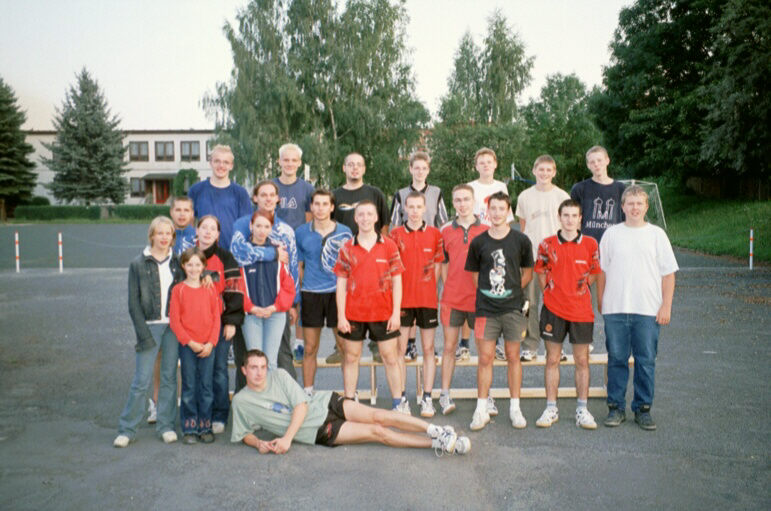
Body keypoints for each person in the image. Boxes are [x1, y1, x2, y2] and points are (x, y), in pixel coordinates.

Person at [231, 349, 470, 455]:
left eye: (263, 367)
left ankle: (435, 430)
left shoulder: (280, 376)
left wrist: (286, 439)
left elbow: (301, 406)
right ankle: (436, 444)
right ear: (243, 370)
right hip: (317, 430)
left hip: (325, 403)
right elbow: (244, 433)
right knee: (378, 432)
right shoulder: (241, 402)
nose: (259, 372)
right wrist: (258, 444)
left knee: (379, 415)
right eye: (253, 368)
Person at [598, 185, 678, 431]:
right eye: (630, 203)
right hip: (616, 308)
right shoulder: (611, 234)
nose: (634, 208)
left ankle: (643, 409)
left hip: (647, 310)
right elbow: (601, 271)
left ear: (646, 207)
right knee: (616, 360)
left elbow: (668, 274)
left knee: (645, 361)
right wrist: (601, 302)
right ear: (622, 206)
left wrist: (666, 306)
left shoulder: (657, 235)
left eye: (639, 203)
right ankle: (615, 407)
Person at [465, 192, 533, 431]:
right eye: (492, 209)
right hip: (486, 309)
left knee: (513, 356)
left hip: (513, 309)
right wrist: (492, 294)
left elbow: (527, 273)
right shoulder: (478, 242)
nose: (496, 213)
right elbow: (475, 276)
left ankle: (515, 408)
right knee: (485, 358)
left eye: (501, 209)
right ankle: (481, 409)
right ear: (487, 212)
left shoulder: (521, 240)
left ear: (508, 211)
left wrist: (509, 292)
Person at [114, 217, 184, 447]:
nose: (164, 237)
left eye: (168, 233)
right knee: (142, 380)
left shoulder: (178, 262)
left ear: (173, 237)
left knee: (169, 378)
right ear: (152, 235)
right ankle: (127, 429)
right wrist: (142, 332)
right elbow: (133, 303)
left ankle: (166, 425)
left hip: (173, 327)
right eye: (160, 233)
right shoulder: (138, 264)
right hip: (150, 326)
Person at [533, 200, 601, 430]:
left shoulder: (590, 244)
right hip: (553, 311)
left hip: (581, 312)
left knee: (582, 360)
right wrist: (549, 292)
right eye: (566, 215)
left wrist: (580, 288)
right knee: (552, 359)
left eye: (574, 215)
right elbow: (541, 271)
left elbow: (594, 273)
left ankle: (582, 409)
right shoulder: (547, 244)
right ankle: (551, 408)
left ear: (580, 218)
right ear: (559, 217)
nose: (570, 220)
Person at [334, 200, 405, 411]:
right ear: (355, 218)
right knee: (351, 357)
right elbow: (341, 285)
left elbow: (397, 281)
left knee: (390, 357)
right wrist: (341, 316)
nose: (365, 218)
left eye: (369, 214)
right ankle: (349, 403)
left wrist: (396, 313)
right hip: (354, 313)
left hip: (384, 312)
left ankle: (398, 403)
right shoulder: (347, 248)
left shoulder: (389, 245)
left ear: (376, 218)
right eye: (361, 214)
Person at [231, 180, 299, 382]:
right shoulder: (243, 224)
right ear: (255, 198)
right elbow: (238, 253)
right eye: (263, 195)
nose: (268, 199)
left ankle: (282, 397)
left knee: (278, 356)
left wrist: (290, 304)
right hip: (250, 309)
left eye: (272, 195)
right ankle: (248, 397)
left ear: (278, 199)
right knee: (249, 358)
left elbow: (291, 270)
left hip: (276, 307)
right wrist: (273, 254)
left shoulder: (286, 231)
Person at [331, 152, 390, 363]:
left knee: (372, 295)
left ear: (364, 169)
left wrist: (381, 250)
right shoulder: (335, 195)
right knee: (345, 298)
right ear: (344, 168)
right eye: (350, 164)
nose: (355, 168)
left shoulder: (375, 193)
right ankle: (341, 346)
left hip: (372, 254)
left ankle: (375, 343)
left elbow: (384, 224)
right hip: (346, 256)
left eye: (359, 165)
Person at [390, 151, 449, 361]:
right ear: (410, 169)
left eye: (424, 168)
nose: (420, 171)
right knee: (407, 297)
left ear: (428, 170)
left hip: (429, 251)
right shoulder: (401, 194)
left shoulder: (436, 192)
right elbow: (394, 225)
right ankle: (410, 345)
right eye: (416, 168)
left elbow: (444, 222)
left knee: (426, 297)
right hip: (407, 250)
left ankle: (422, 346)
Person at [389, 192, 444, 417]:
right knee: (400, 350)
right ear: (404, 208)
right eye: (410, 207)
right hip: (402, 301)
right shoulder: (395, 234)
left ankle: (427, 398)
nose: (414, 211)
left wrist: (431, 290)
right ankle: (402, 397)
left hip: (427, 301)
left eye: (418, 207)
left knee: (428, 349)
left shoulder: (435, 234)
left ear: (425, 208)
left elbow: (438, 266)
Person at [295, 189, 353, 395]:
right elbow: (298, 267)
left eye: (325, 204)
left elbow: (351, 266)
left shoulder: (345, 232)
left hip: (338, 294)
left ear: (332, 207)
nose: (320, 208)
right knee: (310, 348)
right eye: (316, 204)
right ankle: (308, 393)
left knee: (344, 347)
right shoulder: (301, 232)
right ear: (311, 207)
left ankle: (350, 394)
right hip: (311, 294)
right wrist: (299, 297)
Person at [437, 184, 489, 415]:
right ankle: (444, 394)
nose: (462, 204)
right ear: (453, 203)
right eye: (458, 200)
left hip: (480, 300)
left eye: (466, 199)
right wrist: (450, 287)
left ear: (473, 201)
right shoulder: (445, 231)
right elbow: (444, 264)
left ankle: (485, 397)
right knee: (449, 348)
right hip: (453, 300)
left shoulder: (487, 230)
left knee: (484, 352)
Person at [146, 195, 197, 425]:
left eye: (186, 210)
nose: (182, 214)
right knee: (162, 357)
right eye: (178, 210)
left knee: (189, 357)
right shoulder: (163, 236)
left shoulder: (198, 237)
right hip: (165, 310)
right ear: (171, 212)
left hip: (191, 307)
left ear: (192, 214)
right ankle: (157, 403)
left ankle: (189, 403)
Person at [515, 155, 571, 362]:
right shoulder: (524, 196)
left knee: (555, 301)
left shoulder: (562, 195)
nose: (544, 173)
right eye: (541, 169)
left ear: (554, 172)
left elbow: (568, 226)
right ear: (534, 171)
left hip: (555, 257)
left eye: (549, 170)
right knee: (528, 302)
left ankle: (555, 345)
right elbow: (523, 228)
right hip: (530, 256)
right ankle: (529, 345)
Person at [195, 214, 244, 434]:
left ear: (218, 234)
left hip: (220, 324)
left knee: (219, 370)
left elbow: (235, 290)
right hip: (195, 326)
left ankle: (219, 414)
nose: (207, 232)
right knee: (198, 371)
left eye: (212, 229)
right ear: (197, 231)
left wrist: (231, 321)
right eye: (203, 227)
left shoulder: (226, 257)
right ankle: (200, 413)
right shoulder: (187, 257)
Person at [170, 247, 221, 444]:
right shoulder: (178, 290)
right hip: (188, 346)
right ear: (183, 266)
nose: (193, 268)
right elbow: (175, 321)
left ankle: (205, 425)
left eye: (197, 265)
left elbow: (216, 318)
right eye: (189, 264)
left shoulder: (209, 288)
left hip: (208, 345)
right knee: (189, 385)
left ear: (203, 267)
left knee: (206, 386)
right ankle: (189, 426)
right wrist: (190, 343)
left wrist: (211, 343)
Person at [468, 147, 512, 362]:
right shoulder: (471, 187)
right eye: (481, 162)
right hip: (478, 243)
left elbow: (507, 217)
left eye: (489, 162)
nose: (485, 165)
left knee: (497, 289)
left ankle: (497, 342)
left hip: (498, 242)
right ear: (476, 166)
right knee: (474, 291)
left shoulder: (501, 186)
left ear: (495, 164)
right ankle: (465, 343)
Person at [239, 211, 296, 370]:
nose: (262, 230)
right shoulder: (242, 252)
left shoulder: (280, 251)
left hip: (275, 314)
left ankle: (269, 389)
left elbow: (288, 285)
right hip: (251, 315)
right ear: (251, 226)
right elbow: (236, 285)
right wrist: (251, 307)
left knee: (270, 362)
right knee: (254, 362)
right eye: (258, 226)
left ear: (271, 228)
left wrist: (275, 307)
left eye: (266, 226)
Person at [187, 144, 252, 250]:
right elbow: (189, 223)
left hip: (231, 253)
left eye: (226, 162)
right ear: (210, 163)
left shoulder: (240, 193)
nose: (221, 165)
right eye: (217, 161)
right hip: (203, 253)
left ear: (231, 166)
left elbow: (246, 227)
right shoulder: (196, 190)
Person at [569, 145, 626, 244]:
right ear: (588, 165)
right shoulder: (579, 189)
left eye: (599, 160)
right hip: (587, 245)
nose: (596, 164)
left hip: (614, 243)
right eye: (592, 162)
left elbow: (626, 219)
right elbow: (574, 220)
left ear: (607, 160)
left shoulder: (621, 188)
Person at [273, 143, 314, 229]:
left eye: (294, 160)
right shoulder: (269, 187)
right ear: (279, 161)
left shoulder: (308, 189)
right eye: (286, 160)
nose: (290, 164)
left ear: (299, 163)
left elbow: (310, 220)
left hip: (299, 236)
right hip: (274, 236)